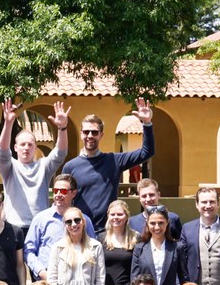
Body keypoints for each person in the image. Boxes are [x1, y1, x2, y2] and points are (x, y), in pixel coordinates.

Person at [62, 99, 155, 231]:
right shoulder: (70, 167)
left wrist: (147, 123)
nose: (90, 136)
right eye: (86, 132)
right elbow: (63, 199)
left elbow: (147, 152)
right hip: (79, 232)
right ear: (81, 134)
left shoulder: (114, 161)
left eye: (94, 132)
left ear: (101, 135)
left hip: (108, 232)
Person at [0, 99, 70, 231]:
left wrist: (62, 128)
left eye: (30, 145)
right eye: (22, 144)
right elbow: (2, 153)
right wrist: (8, 124)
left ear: (35, 148)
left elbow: (61, 153)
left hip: (39, 227)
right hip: (13, 228)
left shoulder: (44, 167)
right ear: (15, 147)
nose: (26, 148)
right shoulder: (9, 167)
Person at [25, 174, 95, 281]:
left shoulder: (84, 220)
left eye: (63, 191)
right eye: (56, 190)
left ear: (73, 193)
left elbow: (92, 249)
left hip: (76, 280)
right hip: (46, 282)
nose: (58, 194)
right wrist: (42, 272)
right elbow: (28, 251)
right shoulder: (40, 219)